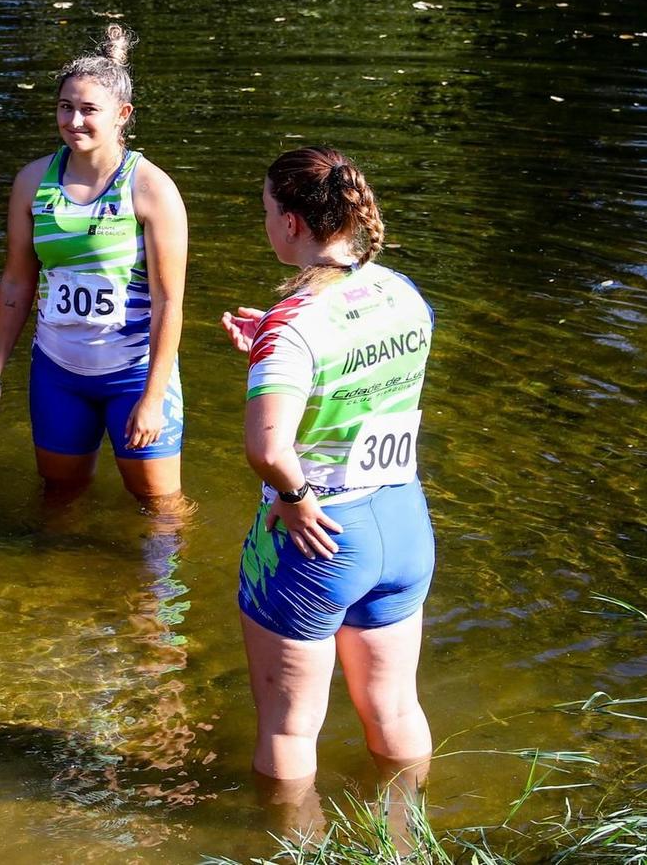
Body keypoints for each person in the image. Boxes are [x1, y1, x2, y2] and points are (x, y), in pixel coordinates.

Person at [220, 146, 436, 818]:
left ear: (290, 222)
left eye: (265, 210)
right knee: (396, 705)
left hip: (320, 538)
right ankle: (404, 840)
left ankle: (292, 848)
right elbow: (360, 366)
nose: (265, 222)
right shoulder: (400, 290)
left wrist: (294, 497)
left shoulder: (292, 327)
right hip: (402, 524)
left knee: (289, 729)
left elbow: (268, 447)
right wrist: (270, 339)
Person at [0, 24, 188, 507]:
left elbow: (169, 302)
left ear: (122, 116)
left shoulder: (150, 189)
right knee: (59, 496)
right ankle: (46, 582)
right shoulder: (32, 182)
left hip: (132, 374)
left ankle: (159, 587)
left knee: (159, 508)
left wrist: (153, 397)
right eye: (65, 107)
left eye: (90, 110)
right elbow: (15, 282)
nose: (74, 121)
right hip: (58, 373)